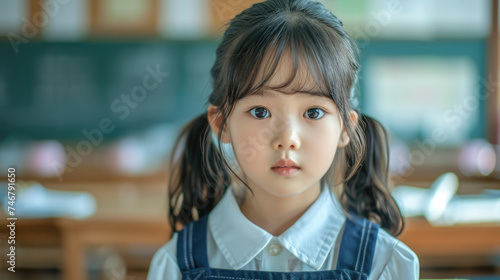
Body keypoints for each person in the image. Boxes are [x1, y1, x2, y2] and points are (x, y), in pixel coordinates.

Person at [147, 0, 419, 279]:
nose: (287, 139)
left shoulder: (386, 263)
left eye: (313, 112)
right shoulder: (174, 265)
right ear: (221, 123)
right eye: (260, 111)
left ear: (346, 128)